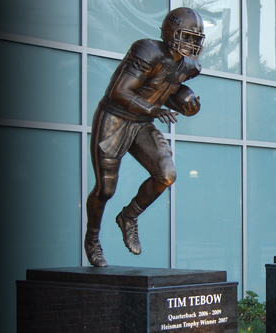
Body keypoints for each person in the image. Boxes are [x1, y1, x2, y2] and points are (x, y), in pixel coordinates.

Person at [85, 7, 205, 267]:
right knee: (105, 189)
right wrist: (153, 108)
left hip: (142, 122)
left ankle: (129, 216)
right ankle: (92, 238)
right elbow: (119, 91)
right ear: (171, 32)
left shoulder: (190, 66)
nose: (194, 44)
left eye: (197, 39)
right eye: (188, 37)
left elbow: (165, 90)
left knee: (167, 174)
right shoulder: (148, 51)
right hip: (115, 117)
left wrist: (187, 102)